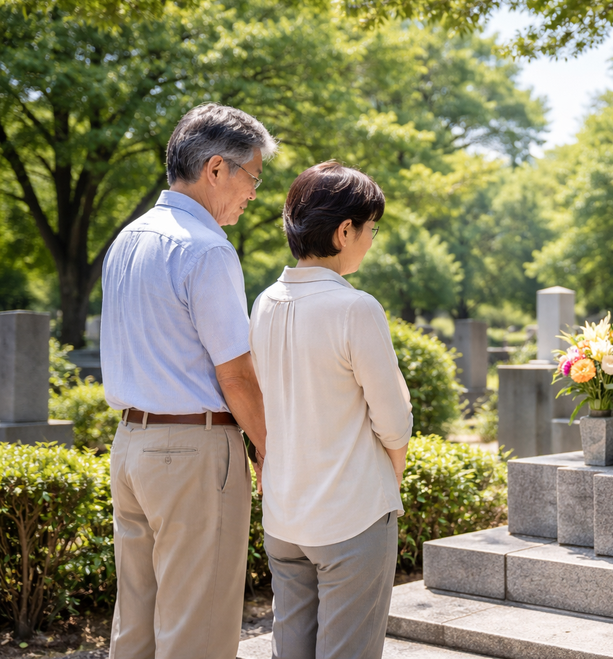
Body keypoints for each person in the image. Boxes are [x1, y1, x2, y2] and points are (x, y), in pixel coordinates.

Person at [101, 103, 275, 659]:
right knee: (196, 633)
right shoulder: (207, 249)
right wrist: (270, 450)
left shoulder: (127, 240)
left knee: (137, 627)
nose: (254, 193)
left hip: (131, 447)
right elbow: (238, 376)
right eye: (253, 176)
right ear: (217, 169)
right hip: (193, 452)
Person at [249, 160, 411, 659]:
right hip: (351, 516)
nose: (371, 239)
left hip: (284, 515)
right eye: (370, 229)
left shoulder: (263, 302)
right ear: (345, 231)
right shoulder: (355, 308)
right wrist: (394, 477)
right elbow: (394, 420)